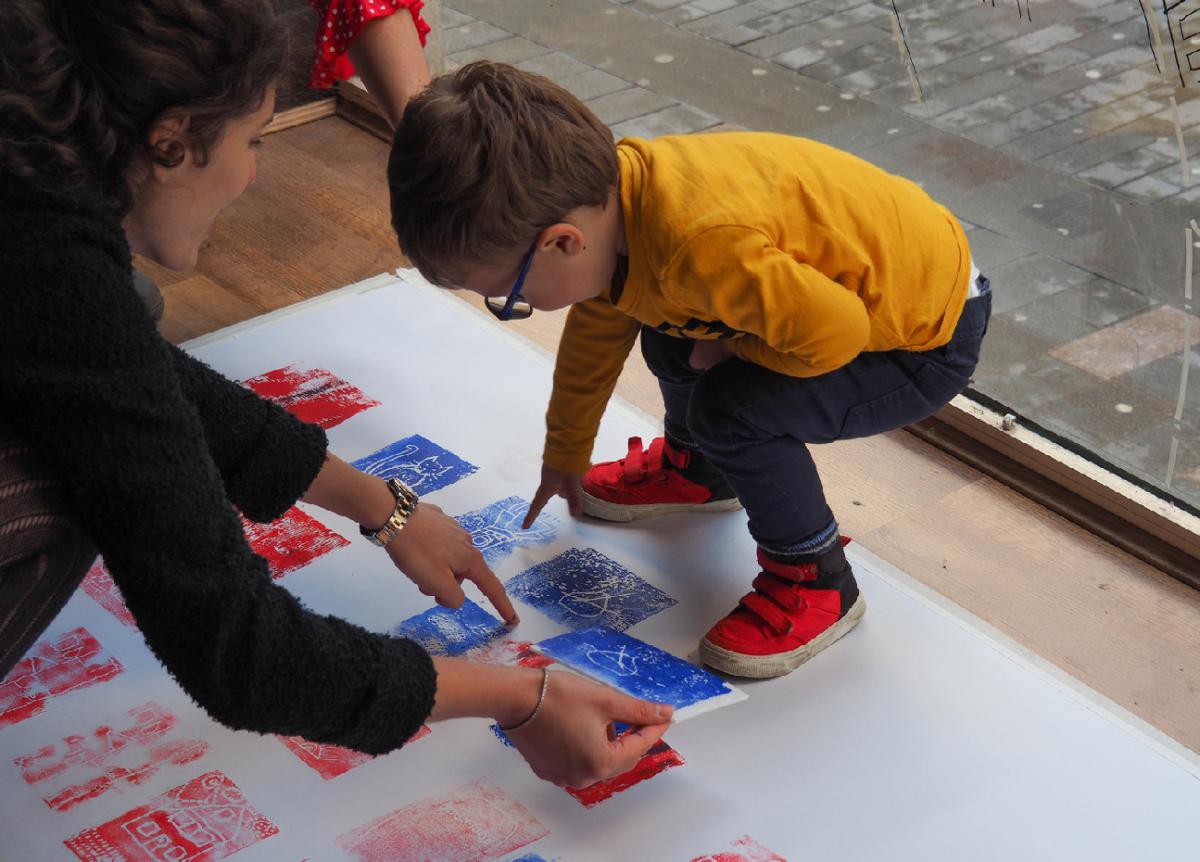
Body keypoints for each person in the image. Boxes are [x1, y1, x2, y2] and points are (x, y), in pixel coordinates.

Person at [0, 0, 672, 789]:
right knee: (66, 467)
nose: (252, 174)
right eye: (252, 141)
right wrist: (522, 695)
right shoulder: (43, 261)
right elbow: (243, 657)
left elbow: (119, 369)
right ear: (169, 140)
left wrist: (382, 506)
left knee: (128, 317)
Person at [387, 61, 994, 680]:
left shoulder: (698, 247)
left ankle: (817, 579)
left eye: (508, 295)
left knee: (730, 410)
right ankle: (700, 472)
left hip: (918, 339)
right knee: (672, 334)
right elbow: (596, 335)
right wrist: (564, 451)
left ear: (562, 242)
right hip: (845, 295)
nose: (519, 306)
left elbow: (839, 334)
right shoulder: (619, 206)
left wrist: (732, 352)